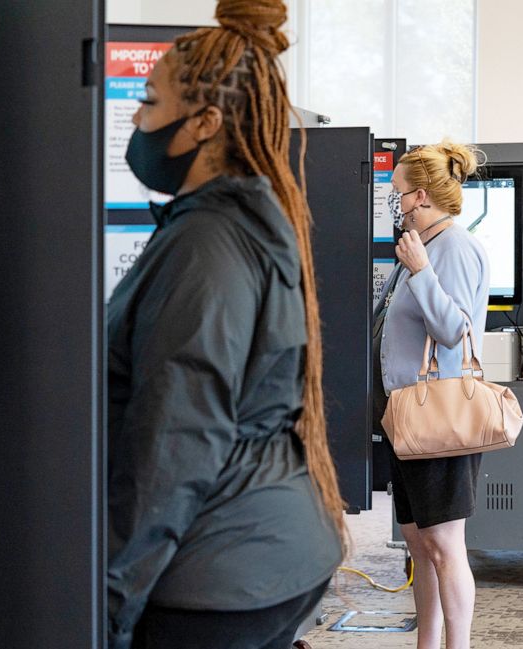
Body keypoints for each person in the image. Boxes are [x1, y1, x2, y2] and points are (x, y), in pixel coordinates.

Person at [106, 2, 346, 648]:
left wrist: (107, 602)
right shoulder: (246, 224)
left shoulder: (206, 245)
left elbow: (176, 436)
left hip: (218, 574)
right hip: (271, 552)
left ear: (205, 122)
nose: (135, 118)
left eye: (149, 102)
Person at [378, 141, 489, 649]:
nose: (392, 201)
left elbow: (454, 331)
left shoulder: (455, 249)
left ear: (420, 195)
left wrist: (422, 272)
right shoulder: (417, 246)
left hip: (439, 418)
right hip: (404, 416)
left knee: (445, 545)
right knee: (418, 544)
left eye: (396, 192)